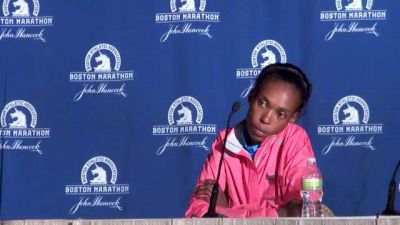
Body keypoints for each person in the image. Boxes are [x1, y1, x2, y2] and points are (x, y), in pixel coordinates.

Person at [185, 63, 316, 217]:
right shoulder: (224, 142)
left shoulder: (295, 140)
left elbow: (302, 209)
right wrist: (275, 213)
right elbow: (197, 210)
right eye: (262, 103)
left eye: (281, 114)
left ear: (292, 117)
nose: (266, 119)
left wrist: (229, 213)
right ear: (251, 96)